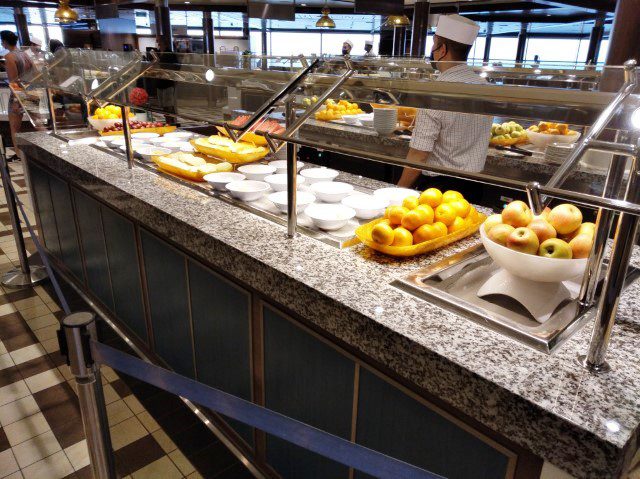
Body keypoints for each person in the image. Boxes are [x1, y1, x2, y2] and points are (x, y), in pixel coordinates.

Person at [397, 15, 493, 203]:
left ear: (442, 50)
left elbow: (419, 154)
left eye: (434, 44)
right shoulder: (485, 86)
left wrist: (398, 190)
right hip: (475, 185)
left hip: (439, 190)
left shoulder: (435, 92)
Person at [1, 30, 34, 161]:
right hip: (31, 92)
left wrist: (15, 101)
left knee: (15, 127)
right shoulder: (25, 54)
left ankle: (19, 155)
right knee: (37, 123)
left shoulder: (10, 57)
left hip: (19, 95)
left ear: (4, 42)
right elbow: (35, 73)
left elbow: (14, 81)